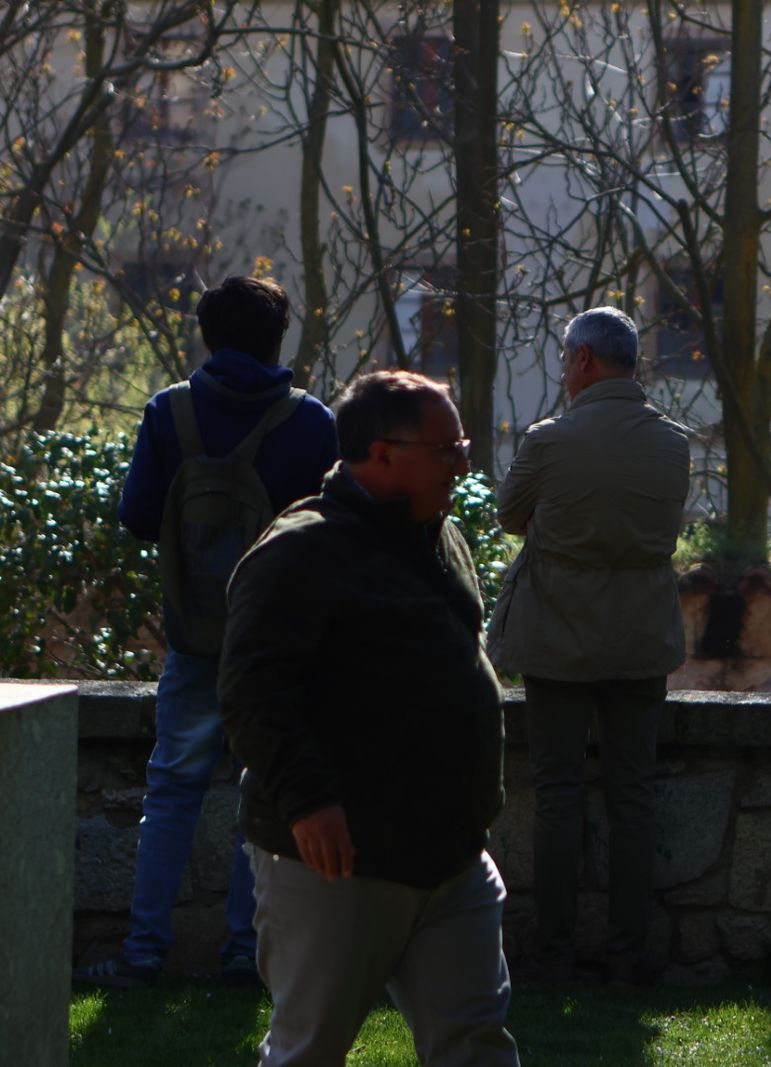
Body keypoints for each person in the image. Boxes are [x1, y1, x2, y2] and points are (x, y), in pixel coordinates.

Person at [219, 371, 519, 1066]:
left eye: (462, 444)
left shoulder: (440, 537)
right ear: (382, 454)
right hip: (337, 863)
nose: (463, 462)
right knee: (309, 1050)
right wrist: (309, 798)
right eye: (448, 447)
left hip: (451, 858)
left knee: (476, 1045)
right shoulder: (302, 549)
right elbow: (250, 689)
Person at [77, 276, 336, 989]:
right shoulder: (312, 424)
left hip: (195, 639)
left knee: (171, 795)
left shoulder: (171, 412)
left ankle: (143, 951)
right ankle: (246, 955)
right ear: (278, 338)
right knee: (268, 791)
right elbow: (335, 532)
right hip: (278, 645)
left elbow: (137, 515)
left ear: (208, 336)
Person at [487, 307, 690, 983]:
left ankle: (553, 951)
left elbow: (509, 515)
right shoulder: (673, 443)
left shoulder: (553, 440)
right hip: (641, 637)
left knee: (559, 793)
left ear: (581, 361)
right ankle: (630, 951)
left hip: (558, 637)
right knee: (633, 794)